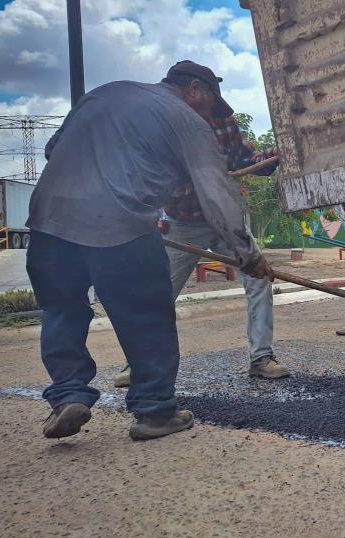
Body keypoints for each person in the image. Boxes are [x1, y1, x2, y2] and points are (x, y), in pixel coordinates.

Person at [27, 61, 273, 441]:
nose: (211, 116)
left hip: (49, 222)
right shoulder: (188, 121)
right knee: (148, 316)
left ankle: (69, 395)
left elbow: (52, 149)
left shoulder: (106, 92)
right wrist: (247, 253)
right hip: (121, 224)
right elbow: (216, 192)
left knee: (62, 311)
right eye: (210, 104)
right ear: (194, 89)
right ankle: (155, 411)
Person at [113, 109, 290, 387]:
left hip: (224, 220)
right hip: (183, 223)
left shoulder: (223, 121)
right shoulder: (164, 126)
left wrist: (270, 157)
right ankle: (139, 364)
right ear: (193, 90)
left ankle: (262, 359)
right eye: (211, 94)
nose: (218, 103)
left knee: (259, 279)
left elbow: (243, 159)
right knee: (158, 294)